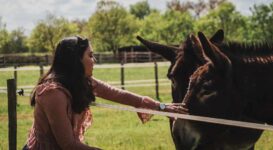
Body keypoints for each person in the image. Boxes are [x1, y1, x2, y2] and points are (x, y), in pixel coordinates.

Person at [23, 36, 188, 150]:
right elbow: (67, 145)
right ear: (76, 60)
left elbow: (119, 94)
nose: (94, 61)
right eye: (90, 55)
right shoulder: (53, 93)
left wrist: (162, 106)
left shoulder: (81, 81)